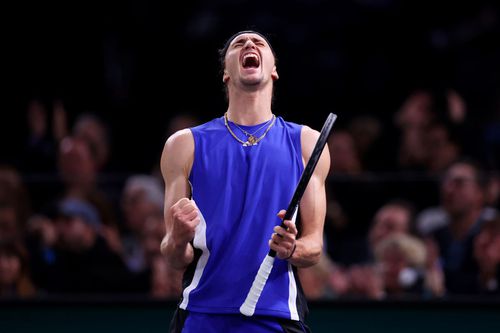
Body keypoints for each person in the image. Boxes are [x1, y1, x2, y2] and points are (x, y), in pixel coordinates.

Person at [160, 30, 330, 333]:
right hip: (201, 315)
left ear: (274, 69)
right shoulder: (183, 145)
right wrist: (177, 237)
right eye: (239, 43)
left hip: (276, 316)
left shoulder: (307, 143)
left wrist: (291, 249)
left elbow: (314, 248)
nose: (249, 45)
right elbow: (175, 255)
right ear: (226, 72)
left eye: (259, 43)